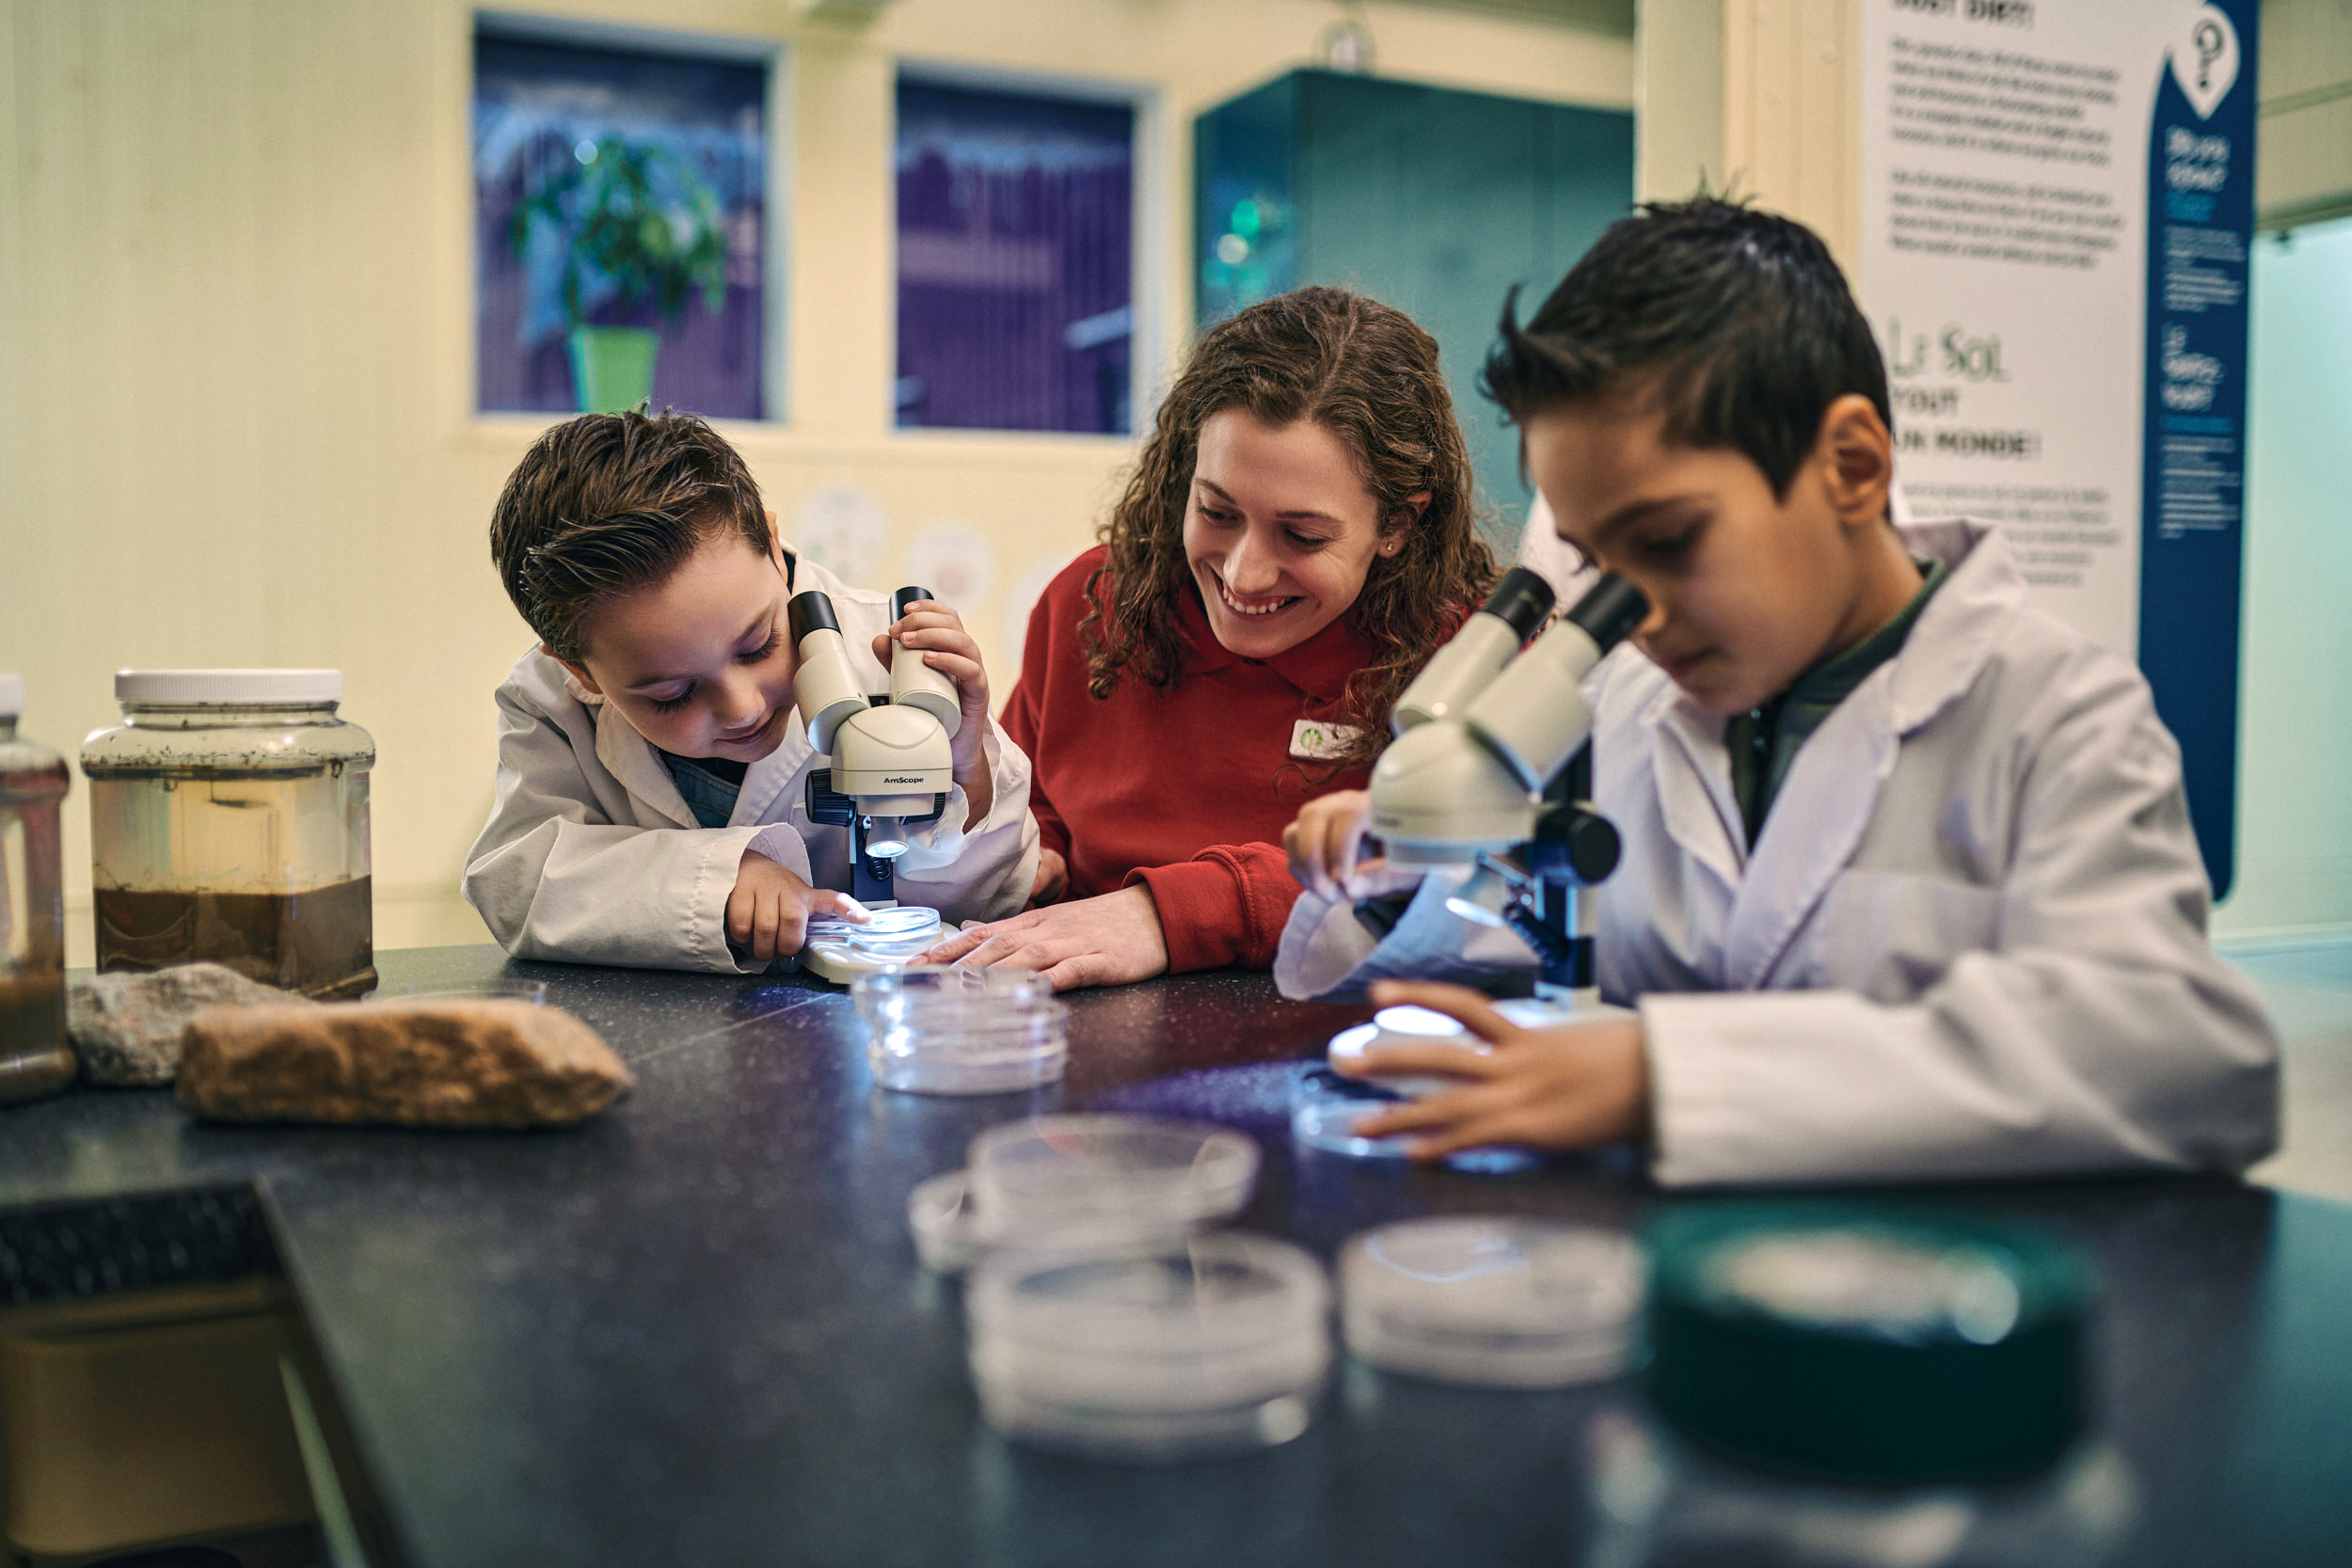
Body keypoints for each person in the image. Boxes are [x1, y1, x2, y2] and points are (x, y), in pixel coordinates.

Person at [1278, 199, 2278, 1186]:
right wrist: (1413, 873)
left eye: (1668, 543)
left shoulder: (2053, 710)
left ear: (1851, 464)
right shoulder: (1633, 702)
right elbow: (1565, 937)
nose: (1638, 619)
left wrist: (1672, 1079)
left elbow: (2178, 1053)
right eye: (1594, 566)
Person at [919, 286, 1497, 990]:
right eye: (1217, 511)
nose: (1245, 574)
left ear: (1398, 525)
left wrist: (1168, 914)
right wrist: (1021, 854)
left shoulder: (1474, 659)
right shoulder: (1092, 605)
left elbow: (1469, 882)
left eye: (1302, 535)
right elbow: (1037, 807)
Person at [465, 411, 1037, 971]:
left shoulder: (887, 657)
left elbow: (989, 903)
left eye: (758, 645)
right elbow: (520, 883)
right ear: (580, 671)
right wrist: (720, 879)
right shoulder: (549, 702)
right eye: (672, 694)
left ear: (770, 542)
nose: (742, 707)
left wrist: (966, 773)